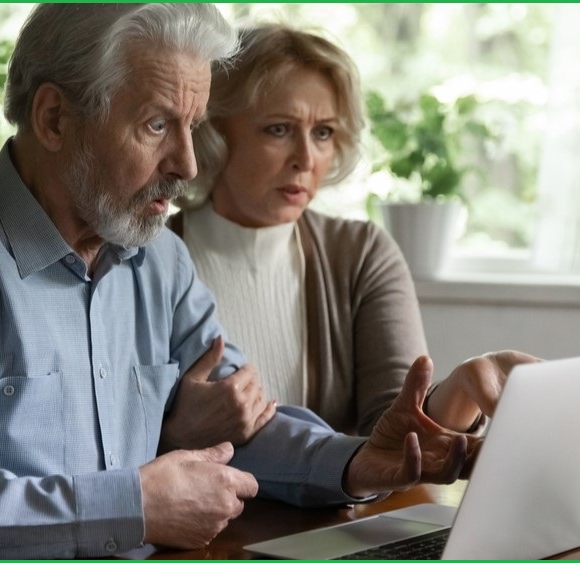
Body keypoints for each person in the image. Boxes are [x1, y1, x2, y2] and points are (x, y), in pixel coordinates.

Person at [0, 5, 479, 559]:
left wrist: (356, 463)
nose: (188, 163)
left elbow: (241, 428)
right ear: (53, 119)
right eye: (157, 124)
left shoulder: (156, 258)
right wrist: (132, 504)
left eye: (192, 126)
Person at [163, 23, 539, 447]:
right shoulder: (146, 261)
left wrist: (463, 390)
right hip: (196, 511)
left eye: (323, 132)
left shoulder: (362, 254)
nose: (305, 158)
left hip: (340, 514)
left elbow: (397, 433)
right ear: (212, 132)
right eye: (279, 129)